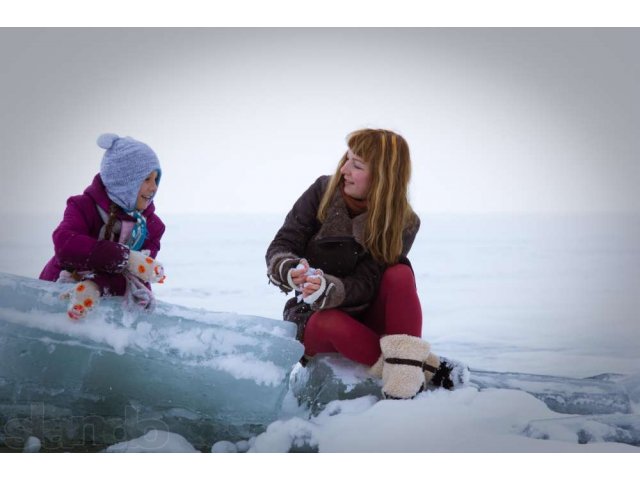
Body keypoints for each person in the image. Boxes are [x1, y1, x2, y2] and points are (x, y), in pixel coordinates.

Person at [266, 128, 467, 400]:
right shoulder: (321, 191)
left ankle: (404, 381)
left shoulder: (405, 222)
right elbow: (282, 245)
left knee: (399, 273)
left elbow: (368, 282)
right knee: (329, 322)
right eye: (346, 159)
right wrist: (292, 271)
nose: (344, 170)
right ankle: (421, 369)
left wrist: (330, 289)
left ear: (383, 176)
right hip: (314, 316)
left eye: (357, 165)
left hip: (366, 314)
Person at [40, 133, 166, 320]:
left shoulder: (152, 227)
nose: (154, 187)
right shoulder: (82, 206)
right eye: (147, 179)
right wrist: (125, 257)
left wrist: (96, 285)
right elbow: (65, 245)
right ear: (124, 181)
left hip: (105, 298)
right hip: (56, 292)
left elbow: (136, 278)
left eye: (156, 179)